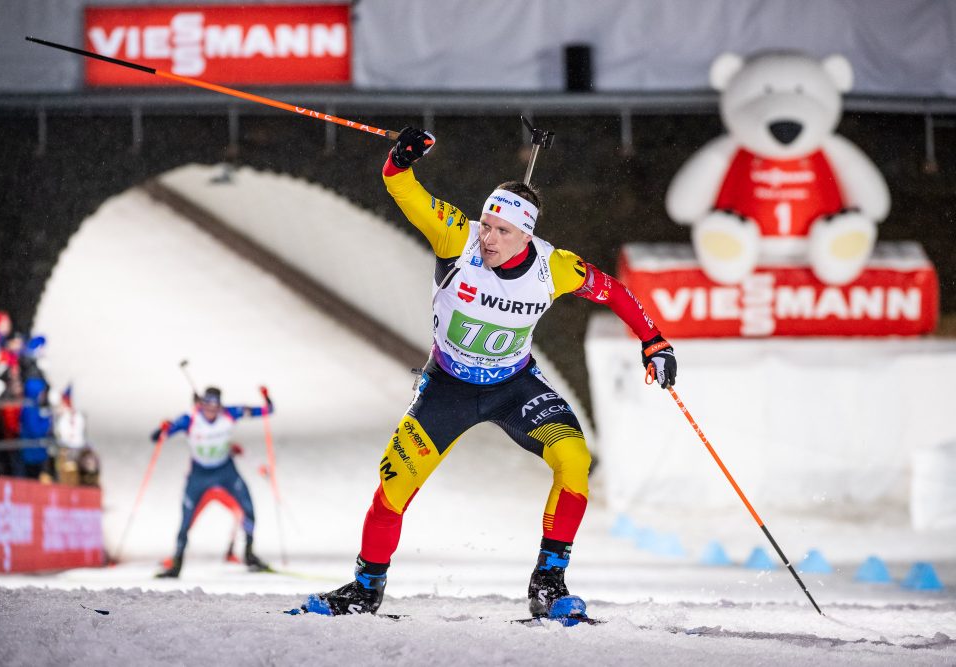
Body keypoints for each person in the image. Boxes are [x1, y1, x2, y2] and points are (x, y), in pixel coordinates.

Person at [301, 128, 678, 620]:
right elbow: (402, 186)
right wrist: (400, 158)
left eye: (503, 230)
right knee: (392, 487)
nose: (489, 237)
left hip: (512, 387)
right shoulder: (455, 236)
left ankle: (548, 583)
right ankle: (365, 588)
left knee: (574, 460)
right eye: (488, 224)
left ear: (528, 235)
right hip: (448, 389)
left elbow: (616, 293)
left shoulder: (555, 267)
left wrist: (655, 341)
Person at [152, 385, 275, 578]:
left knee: (248, 507)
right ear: (201, 404)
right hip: (199, 474)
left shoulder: (230, 413)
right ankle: (176, 563)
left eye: (215, 404)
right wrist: (164, 428)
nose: (211, 409)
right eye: (207, 403)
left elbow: (267, 411)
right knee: (186, 517)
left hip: (225, 470)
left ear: (220, 405)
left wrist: (267, 400)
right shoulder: (190, 418)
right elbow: (157, 437)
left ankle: (250, 554)